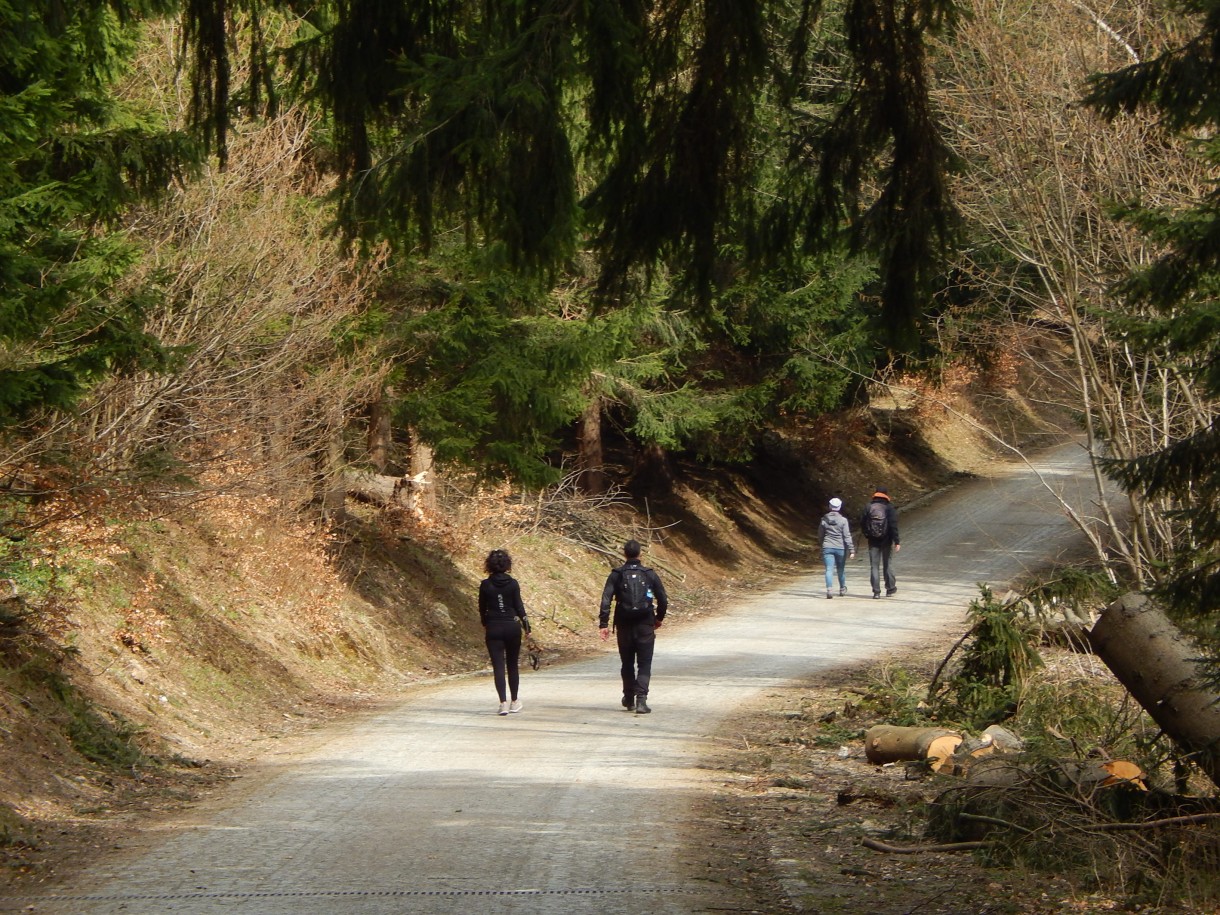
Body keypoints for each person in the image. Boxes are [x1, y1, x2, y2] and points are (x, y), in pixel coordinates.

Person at [598, 539, 668, 715]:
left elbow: (606, 599)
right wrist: (658, 618)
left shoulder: (617, 574)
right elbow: (663, 599)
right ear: (640, 554)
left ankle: (628, 698)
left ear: (624, 554)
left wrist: (603, 624)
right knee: (644, 663)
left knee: (627, 662)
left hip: (624, 624)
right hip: (645, 623)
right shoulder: (649, 574)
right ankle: (641, 701)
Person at [478, 549, 531, 715]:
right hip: (512, 627)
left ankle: (503, 703)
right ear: (507, 564)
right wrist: (527, 626)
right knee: (512, 664)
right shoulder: (513, 583)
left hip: (494, 627)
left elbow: (482, 608)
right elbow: (519, 606)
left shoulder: (485, 585)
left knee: (498, 666)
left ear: (489, 565)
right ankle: (515, 701)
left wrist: (486, 623)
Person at [860, 488, 901, 598]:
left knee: (874, 566)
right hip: (886, 540)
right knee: (887, 564)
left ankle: (876, 592)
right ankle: (890, 589)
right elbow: (893, 526)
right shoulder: (889, 507)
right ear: (886, 495)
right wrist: (896, 541)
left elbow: (863, 523)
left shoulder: (869, 506)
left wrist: (867, 535)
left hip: (872, 540)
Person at [818, 497, 855, 599]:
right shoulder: (843, 520)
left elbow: (820, 534)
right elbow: (847, 535)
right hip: (840, 548)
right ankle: (842, 588)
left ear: (830, 506)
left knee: (829, 569)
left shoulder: (824, 520)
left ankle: (829, 589)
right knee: (840, 570)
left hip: (827, 546)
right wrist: (851, 549)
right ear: (839, 507)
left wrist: (823, 544)